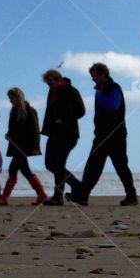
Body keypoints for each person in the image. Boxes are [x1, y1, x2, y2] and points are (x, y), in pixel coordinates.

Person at [67, 63, 138, 207]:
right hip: (102, 135)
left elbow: (113, 106)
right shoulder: (101, 90)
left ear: (103, 74)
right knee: (94, 165)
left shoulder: (114, 88)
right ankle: (83, 195)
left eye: (94, 76)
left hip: (115, 135)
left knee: (120, 166)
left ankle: (131, 196)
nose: (93, 80)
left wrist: (100, 97)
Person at [0, 88, 47, 205]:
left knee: (13, 168)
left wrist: (34, 147)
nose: (10, 101)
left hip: (25, 147)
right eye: (10, 98)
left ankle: (4, 198)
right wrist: (9, 135)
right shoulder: (14, 111)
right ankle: (42, 195)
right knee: (25, 170)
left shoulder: (29, 110)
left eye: (12, 98)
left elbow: (35, 130)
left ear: (18, 97)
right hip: (16, 146)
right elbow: (13, 129)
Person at [40, 69, 86, 205]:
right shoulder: (52, 92)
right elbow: (50, 113)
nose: (50, 86)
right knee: (50, 164)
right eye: (48, 84)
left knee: (58, 165)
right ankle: (77, 185)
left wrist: (64, 119)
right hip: (54, 134)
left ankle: (58, 197)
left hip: (68, 134)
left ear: (59, 80)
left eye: (52, 83)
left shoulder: (71, 91)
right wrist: (45, 129)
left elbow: (81, 110)